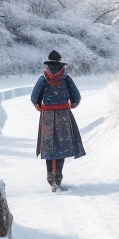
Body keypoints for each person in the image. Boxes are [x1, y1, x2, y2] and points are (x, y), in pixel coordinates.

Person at [31, 50, 85, 191]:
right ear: (60, 64)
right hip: (63, 115)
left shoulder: (43, 78)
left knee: (49, 145)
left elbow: (34, 96)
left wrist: (38, 105)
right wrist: (72, 104)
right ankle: (58, 176)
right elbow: (76, 96)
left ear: (48, 64)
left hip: (47, 115)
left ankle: (51, 176)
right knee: (61, 145)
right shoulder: (65, 78)